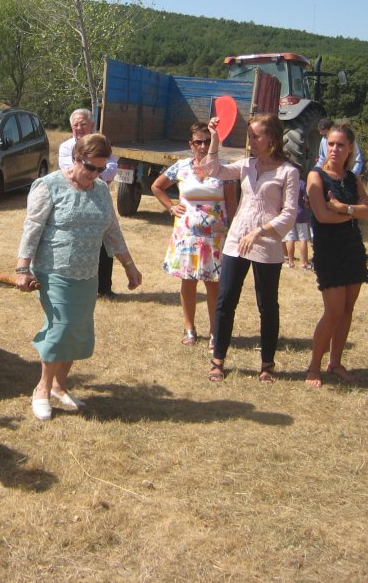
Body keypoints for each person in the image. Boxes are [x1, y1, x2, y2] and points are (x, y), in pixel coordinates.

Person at [16, 133, 142, 420]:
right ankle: (41, 390)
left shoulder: (101, 189)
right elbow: (32, 228)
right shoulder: (49, 186)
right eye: (90, 167)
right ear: (76, 158)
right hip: (54, 271)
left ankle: (59, 386)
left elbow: (112, 230)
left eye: (101, 169)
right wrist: (22, 268)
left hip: (87, 274)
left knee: (77, 330)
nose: (95, 174)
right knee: (61, 328)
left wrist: (129, 265)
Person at [205, 112, 299, 383]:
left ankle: (267, 364)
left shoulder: (289, 171)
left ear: (272, 138)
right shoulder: (247, 165)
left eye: (256, 136)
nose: (251, 141)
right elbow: (213, 170)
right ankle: (218, 359)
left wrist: (259, 231)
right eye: (250, 136)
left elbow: (289, 213)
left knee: (267, 305)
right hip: (237, 241)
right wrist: (214, 138)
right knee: (225, 301)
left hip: (266, 245)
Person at [151, 122, 236, 346]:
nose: (203, 146)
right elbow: (157, 186)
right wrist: (171, 207)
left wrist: (233, 230)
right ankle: (189, 329)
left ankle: (215, 332)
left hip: (215, 238)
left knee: (214, 284)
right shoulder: (180, 167)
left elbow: (231, 203)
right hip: (186, 236)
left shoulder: (224, 169)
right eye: (199, 142)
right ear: (191, 144)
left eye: (208, 141)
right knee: (188, 282)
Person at [304, 123, 368, 387]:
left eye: (340, 144)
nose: (334, 149)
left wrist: (343, 208)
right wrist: (353, 214)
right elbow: (322, 215)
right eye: (331, 144)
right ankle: (313, 366)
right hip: (329, 249)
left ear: (350, 148)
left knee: (347, 309)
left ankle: (335, 362)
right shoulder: (316, 176)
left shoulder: (352, 179)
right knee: (333, 311)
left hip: (352, 248)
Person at [58, 109, 119, 299]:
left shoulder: (102, 144)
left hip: (98, 198)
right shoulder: (66, 147)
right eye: (75, 125)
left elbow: (112, 168)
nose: (79, 128)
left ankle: (105, 288)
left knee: (106, 239)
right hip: (75, 200)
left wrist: (92, 173)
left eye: (83, 124)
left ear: (92, 125)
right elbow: (71, 171)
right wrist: (100, 173)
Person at [282, 178, 311, 270]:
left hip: (289, 212)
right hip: (301, 212)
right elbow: (306, 198)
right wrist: (307, 204)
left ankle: (290, 262)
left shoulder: (286, 183)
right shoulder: (301, 183)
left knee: (290, 238)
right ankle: (304, 263)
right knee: (303, 238)